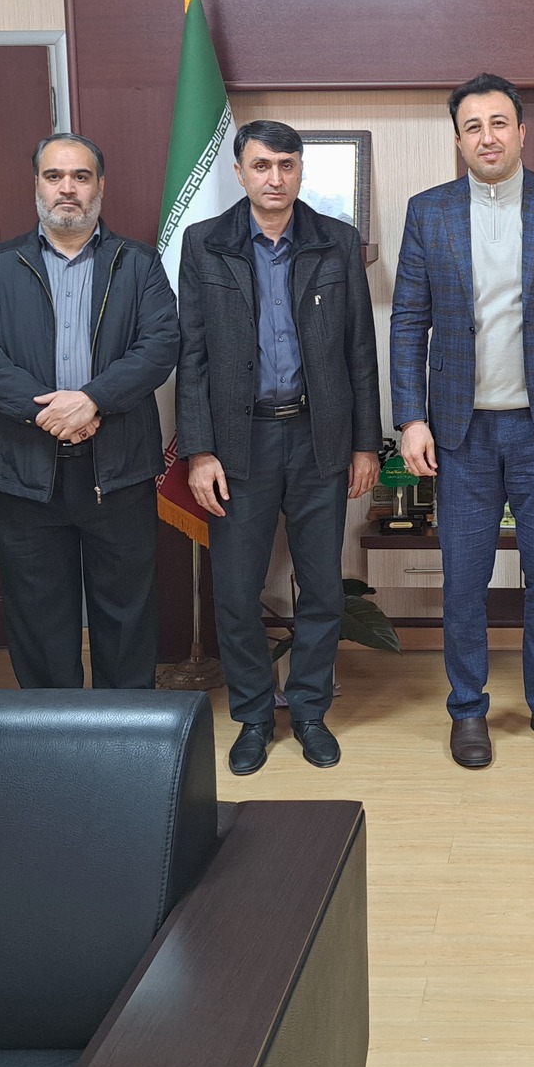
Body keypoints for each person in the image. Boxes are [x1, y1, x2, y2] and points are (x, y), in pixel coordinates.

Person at [392, 73, 534, 769]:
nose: (486, 137)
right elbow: (408, 322)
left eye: (498, 123)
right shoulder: (428, 212)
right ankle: (468, 710)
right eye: (472, 126)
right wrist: (410, 418)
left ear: (521, 131)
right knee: (464, 582)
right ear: (458, 139)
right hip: (459, 434)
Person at [178, 120, 382, 775]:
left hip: (320, 438)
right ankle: (254, 717)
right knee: (237, 591)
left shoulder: (335, 241)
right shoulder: (205, 243)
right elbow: (192, 356)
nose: (275, 178)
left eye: (286, 165)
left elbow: (359, 350)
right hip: (239, 444)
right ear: (239, 172)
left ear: (300, 171)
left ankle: (311, 712)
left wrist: (365, 445)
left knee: (320, 587)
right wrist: (199, 451)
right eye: (262, 165)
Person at [0, 134, 179, 690]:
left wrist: (92, 399)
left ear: (101, 185)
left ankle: (123, 727)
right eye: (54, 176)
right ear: (36, 184)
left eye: (81, 176)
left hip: (119, 470)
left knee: (126, 612)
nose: (68, 188)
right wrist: (47, 414)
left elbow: (160, 345)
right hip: (28, 471)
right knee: (38, 615)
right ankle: (52, 728)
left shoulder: (138, 263)